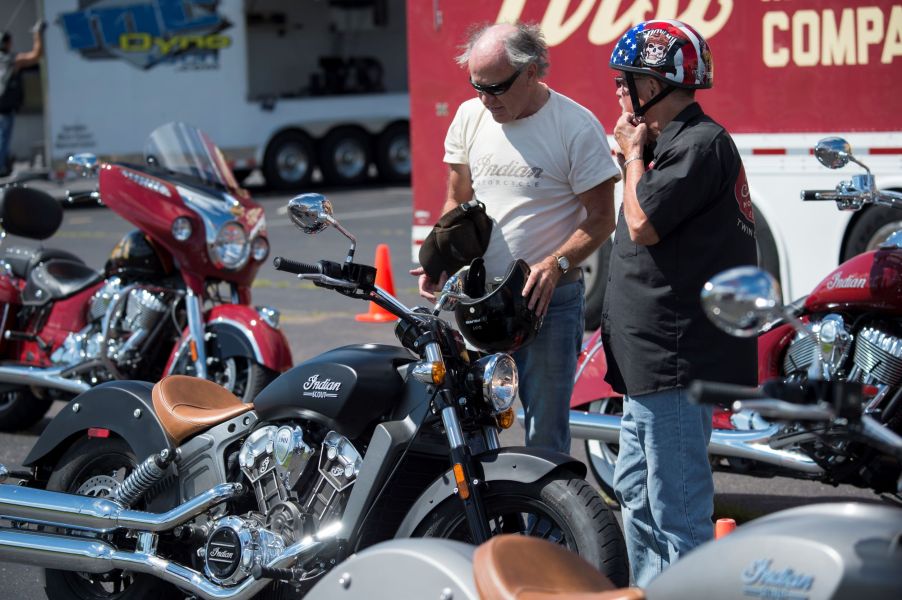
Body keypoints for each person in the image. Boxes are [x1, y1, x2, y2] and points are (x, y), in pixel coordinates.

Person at [411, 22, 620, 453]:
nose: (486, 100)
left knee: (545, 432)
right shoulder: (471, 116)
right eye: (477, 87)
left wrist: (555, 263)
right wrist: (440, 258)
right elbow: (456, 198)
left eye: (496, 88)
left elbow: (602, 219)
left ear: (531, 73)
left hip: (547, 301)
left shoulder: (575, 127)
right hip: (479, 299)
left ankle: (544, 520)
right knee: (472, 423)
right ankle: (485, 518)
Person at [601, 20, 757, 585]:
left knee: (679, 511)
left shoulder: (698, 143)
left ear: (657, 84)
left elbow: (641, 224)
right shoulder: (666, 145)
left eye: (627, 81)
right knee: (636, 499)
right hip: (648, 360)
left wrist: (630, 157)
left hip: (675, 359)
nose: (620, 92)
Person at [0, 21, 44, 178]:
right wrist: (37, 33)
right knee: (3, 139)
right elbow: (36, 55)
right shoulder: (12, 60)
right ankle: (1, 168)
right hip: (5, 108)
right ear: (8, 43)